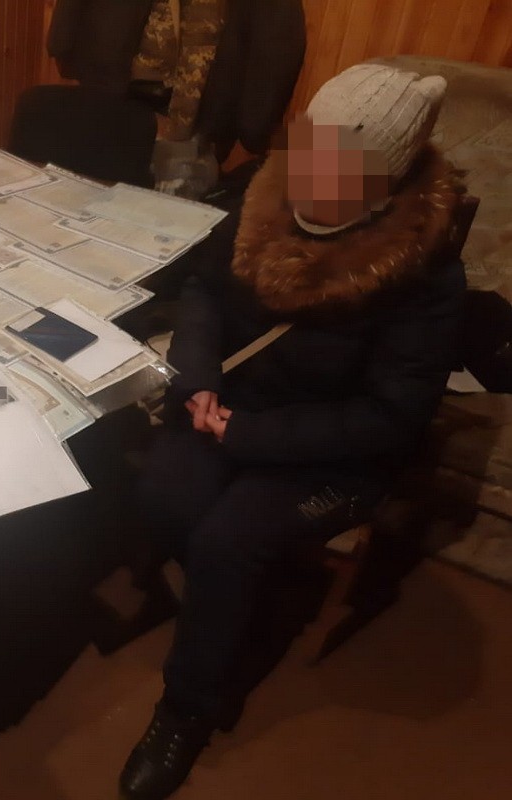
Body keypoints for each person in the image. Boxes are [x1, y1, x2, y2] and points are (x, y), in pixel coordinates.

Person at [119, 63, 467, 800]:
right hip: (234, 404)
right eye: (309, 145)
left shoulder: (425, 273)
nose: (309, 172)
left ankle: (185, 709)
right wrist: (199, 378)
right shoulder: (265, 193)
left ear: (383, 177)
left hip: (333, 449)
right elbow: (204, 291)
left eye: (338, 162)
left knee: (227, 540)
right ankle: (230, 604)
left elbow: (389, 417)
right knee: (165, 496)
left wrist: (245, 435)